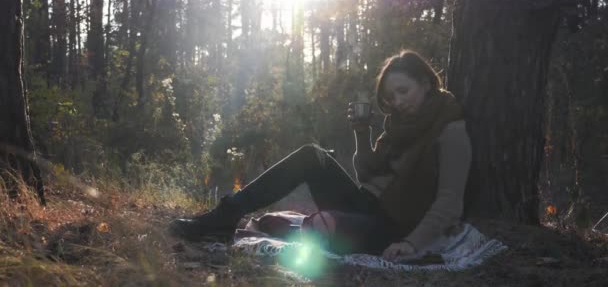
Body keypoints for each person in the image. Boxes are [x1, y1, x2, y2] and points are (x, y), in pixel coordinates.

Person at [169, 50, 472, 260]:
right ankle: (225, 216)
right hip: (364, 204)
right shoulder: (399, 125)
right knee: (311, 156)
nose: (397, 102)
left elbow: (449, 202)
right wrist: (362, 132)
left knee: (324, 227)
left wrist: (410, 243)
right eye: (391, 97)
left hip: (392, 224)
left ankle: (308, 227)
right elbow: (366, 174)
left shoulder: (449, 127)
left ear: (426, 82)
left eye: (403, 91)